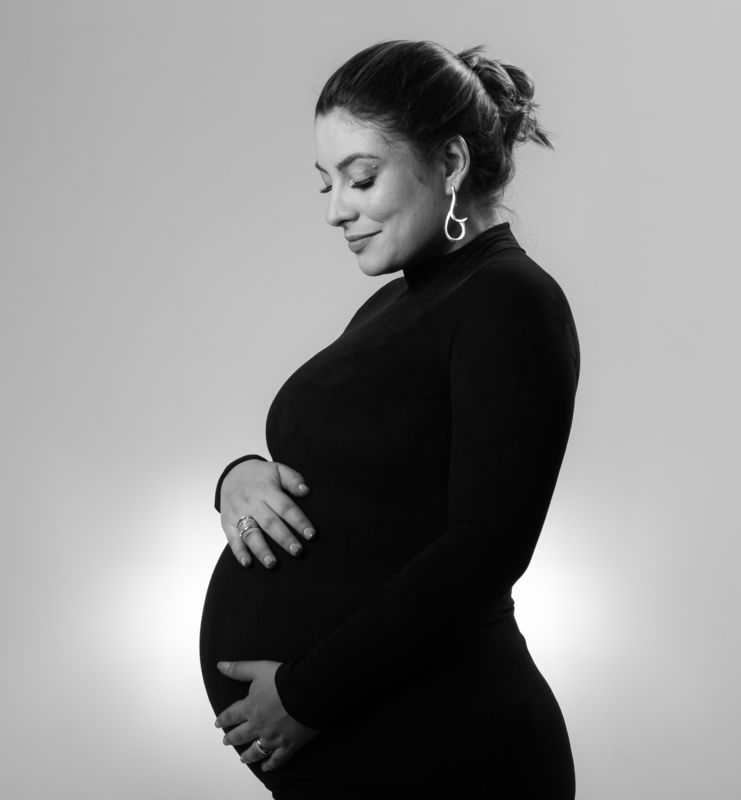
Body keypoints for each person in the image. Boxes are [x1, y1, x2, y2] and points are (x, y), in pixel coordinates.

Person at [199, 39, 580, 799]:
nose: (338, 210)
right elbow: (359, 470)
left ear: (450, 164)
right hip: (376, 747)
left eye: (361, 178)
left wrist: (308, 695)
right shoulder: (399, 301)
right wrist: (237, 480)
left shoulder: (509, 300)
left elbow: (485, 548)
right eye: (326, 184)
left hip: (448, 748)